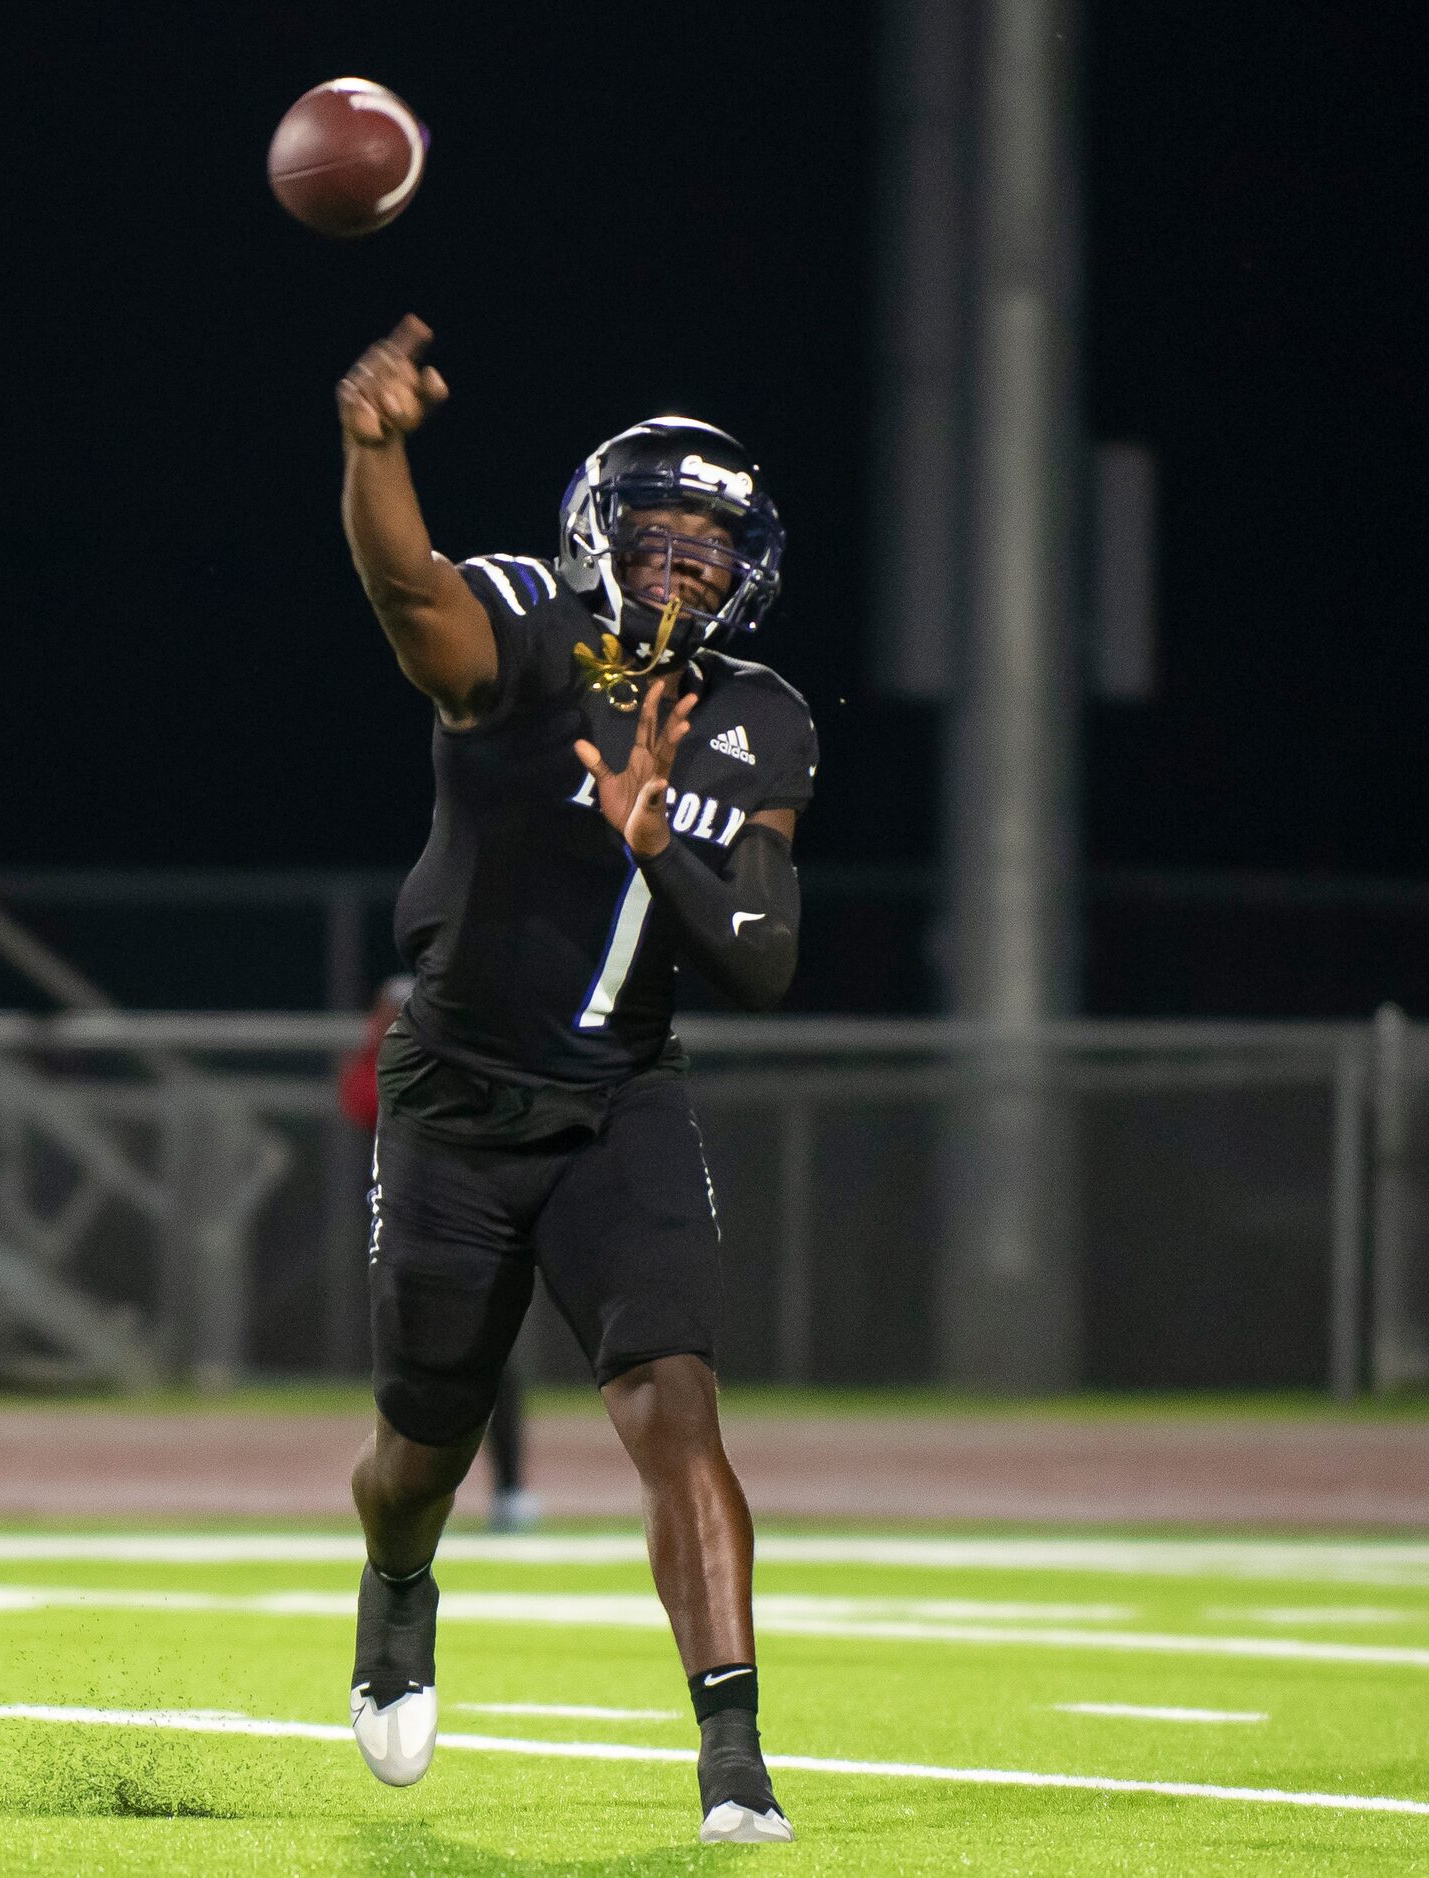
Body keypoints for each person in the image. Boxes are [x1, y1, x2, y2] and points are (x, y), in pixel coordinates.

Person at [333, 316, 811, 1843]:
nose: (680, 567)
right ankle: (398, 1588)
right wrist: (374, 446)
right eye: (658, 538)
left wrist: (657, 831)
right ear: (599, 539)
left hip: (622, 1104)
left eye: (707, 547)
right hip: (458, 1103)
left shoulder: (757, 717)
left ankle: (732, 1752)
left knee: (678, 1405)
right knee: (421, 1444)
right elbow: (410, 592)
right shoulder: (528, 626)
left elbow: (764, 960)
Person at [338, 975, 536, 1534]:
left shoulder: (474, 1065)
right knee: (410, 1364)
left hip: (476, 1227)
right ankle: (407, 1493)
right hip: (408, 1234)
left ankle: (509, 1488)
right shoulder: (386, 1070)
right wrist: (385, 1035)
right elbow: (360, 1099)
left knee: (494, 1360)